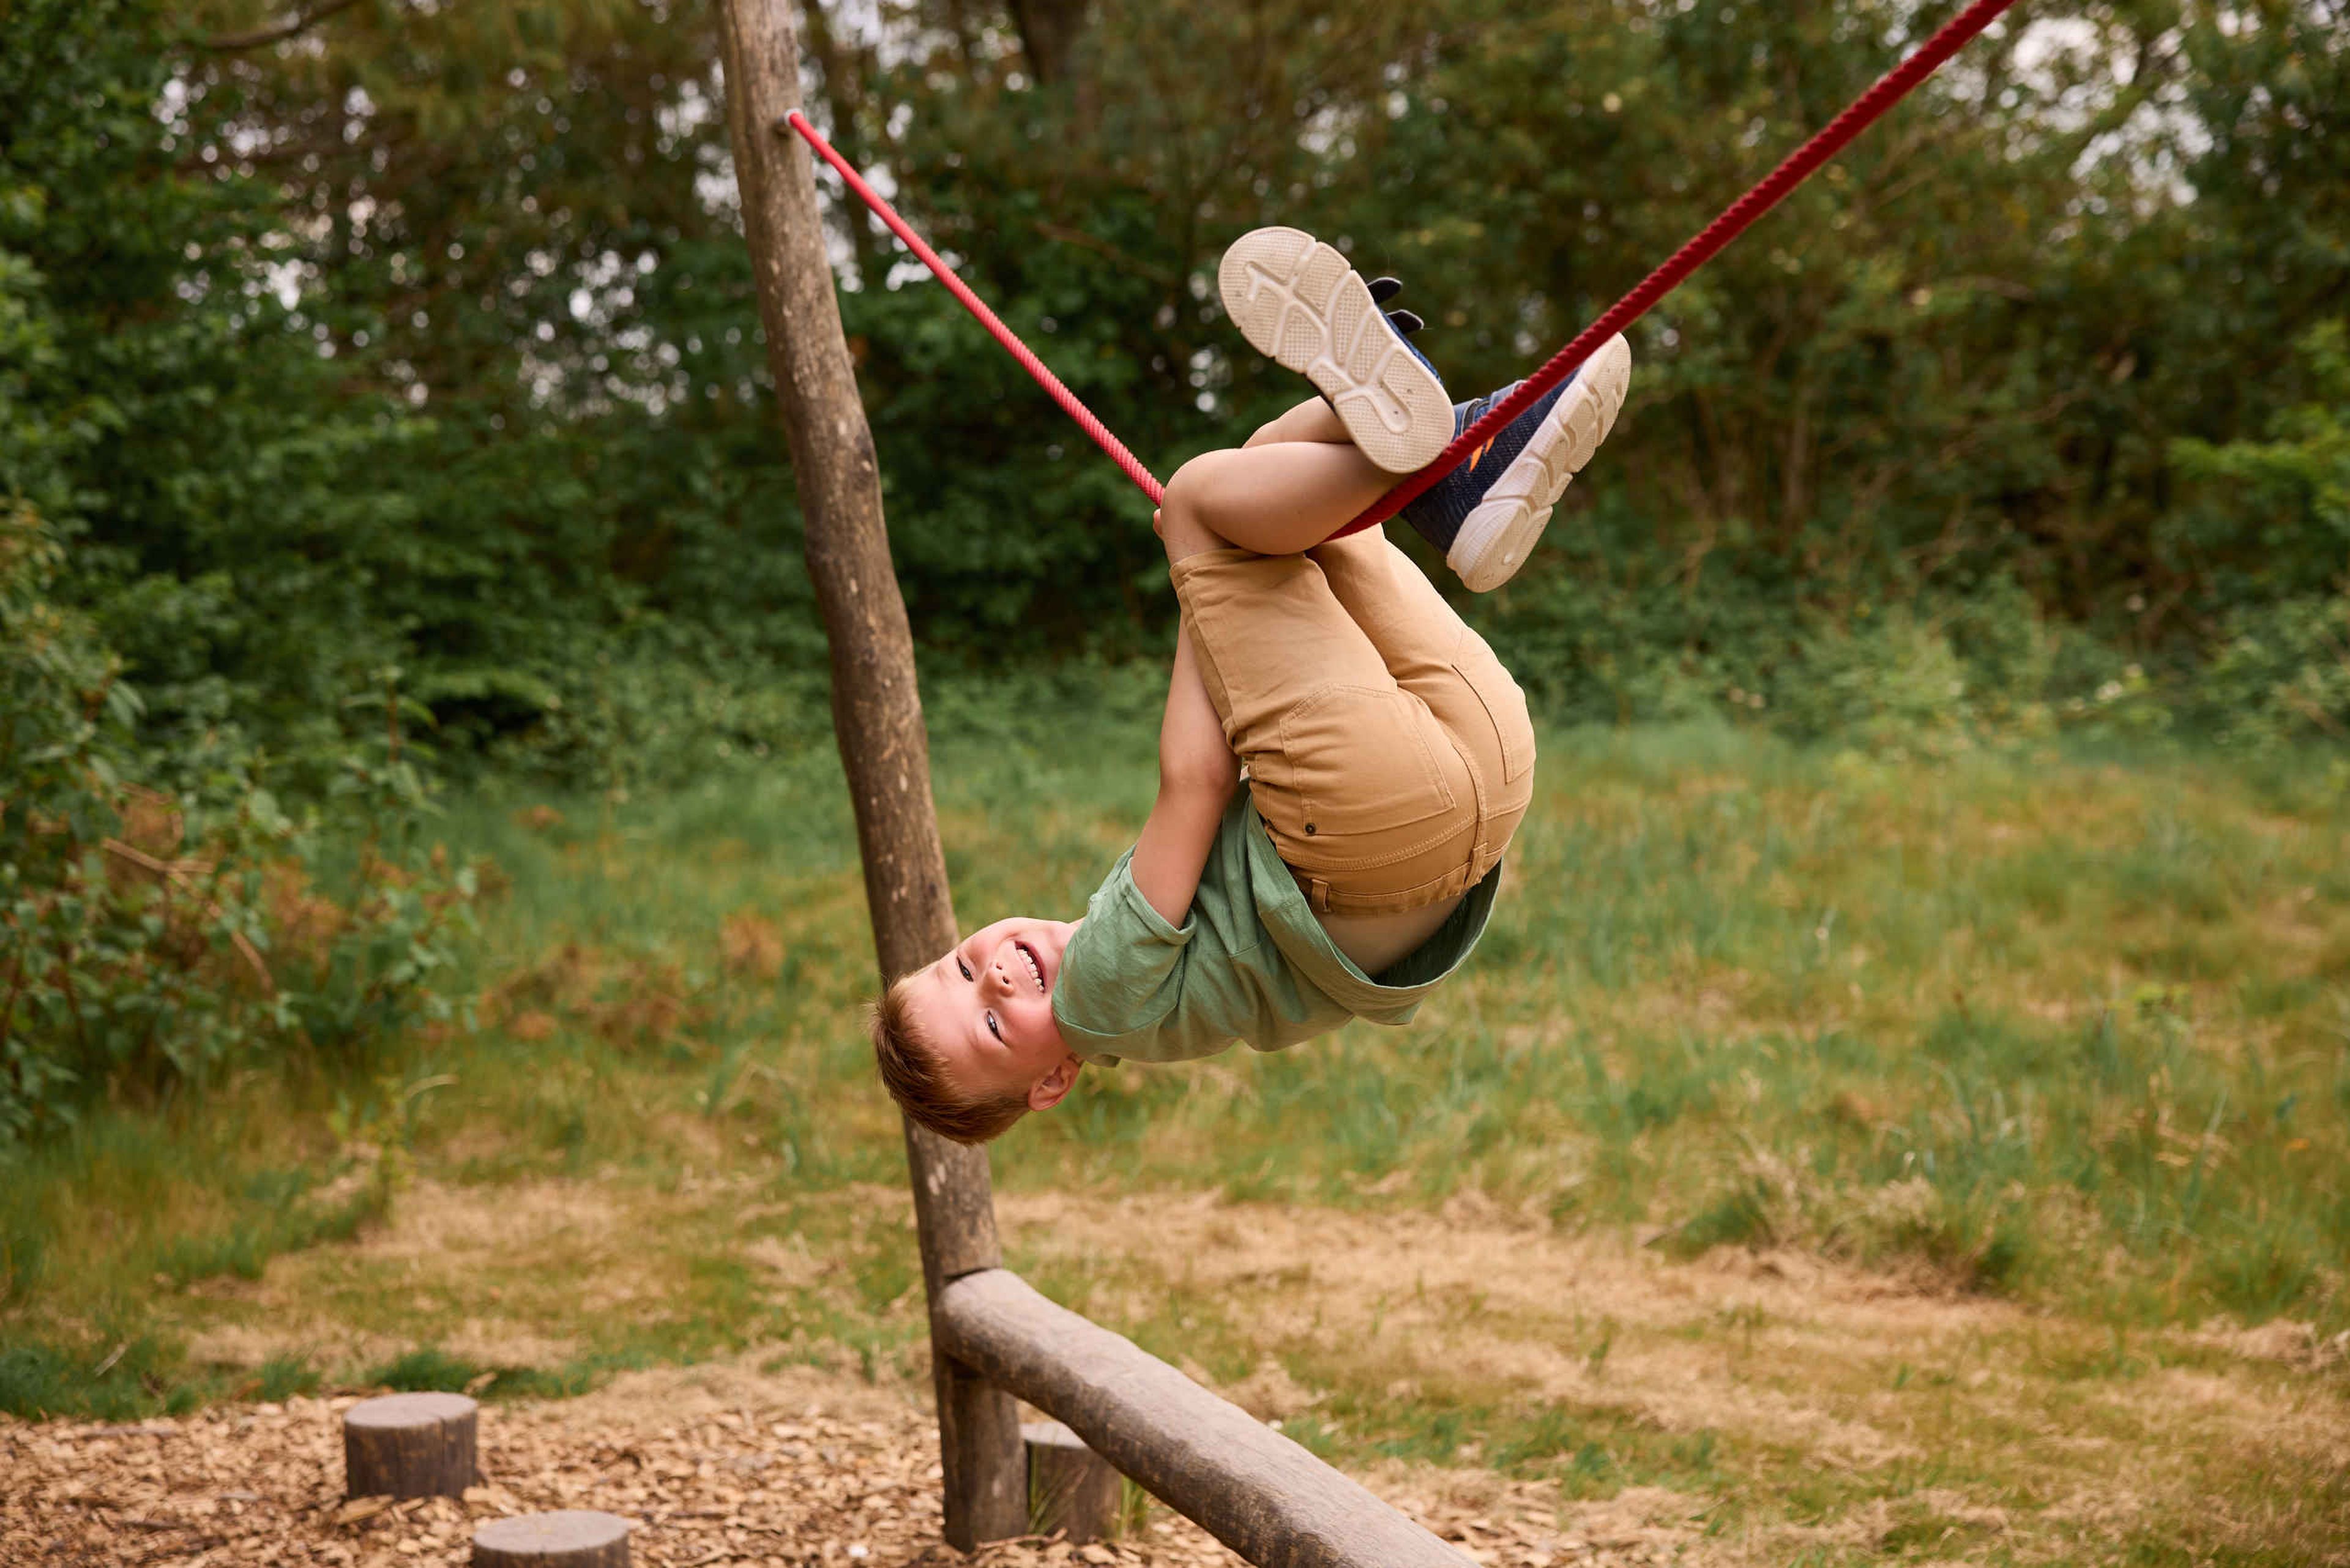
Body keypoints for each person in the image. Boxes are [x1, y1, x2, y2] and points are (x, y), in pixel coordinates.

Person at [871, 226, 1632, 1144]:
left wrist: (1208, 576)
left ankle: (1454, 449)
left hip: (1480, 782)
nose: (993, 979)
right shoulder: (1099, 998)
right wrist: (1192, 567)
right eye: (993, 1028)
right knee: (1202, 497)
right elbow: (1197, 778)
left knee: (1267, 482)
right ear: (1054, 1081)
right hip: (1372, 825)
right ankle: (1426, 432)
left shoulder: (1147, 1002)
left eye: (960, 966)